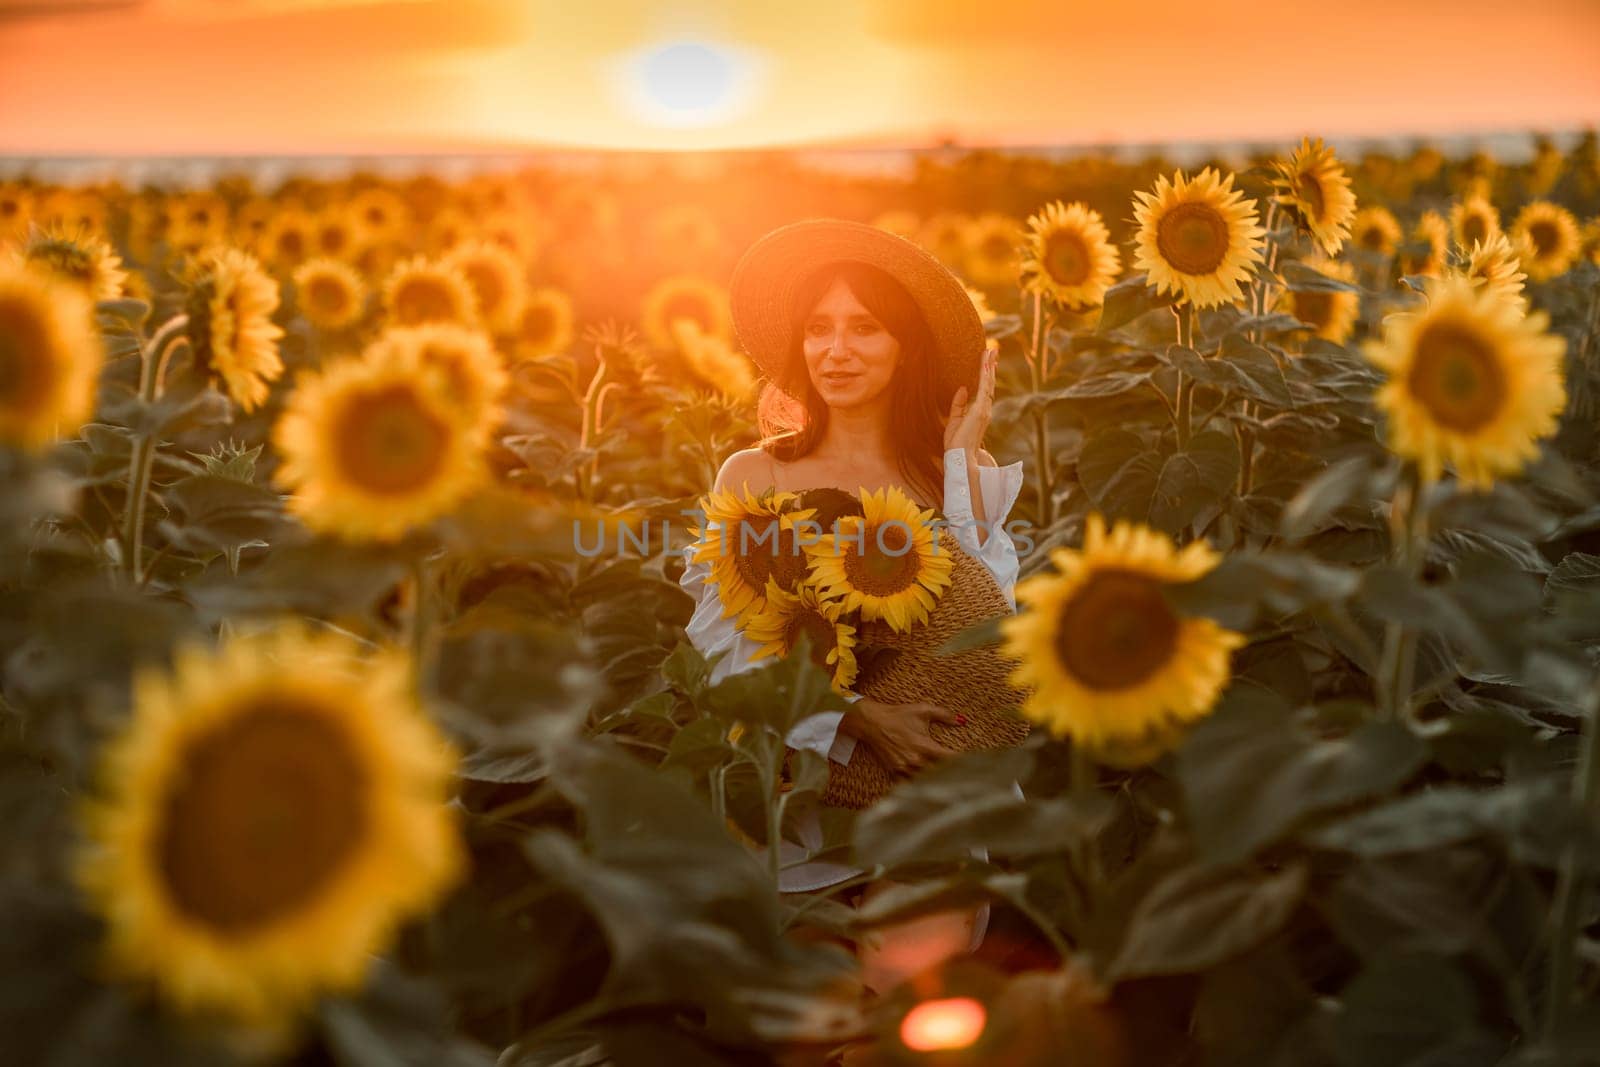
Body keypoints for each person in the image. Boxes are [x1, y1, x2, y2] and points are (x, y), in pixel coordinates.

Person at [675, 219, 1026, 996]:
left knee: (904, 1021)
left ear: (906, 345)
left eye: (864, 328)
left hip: (937, 804)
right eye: (819, 328)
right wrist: (854, 717)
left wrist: (963, 474)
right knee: (819, 1029)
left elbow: (992, 628)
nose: (836, 350)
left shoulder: (956, 476)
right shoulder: (756, 476)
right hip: (801, 801)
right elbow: (723, 650)